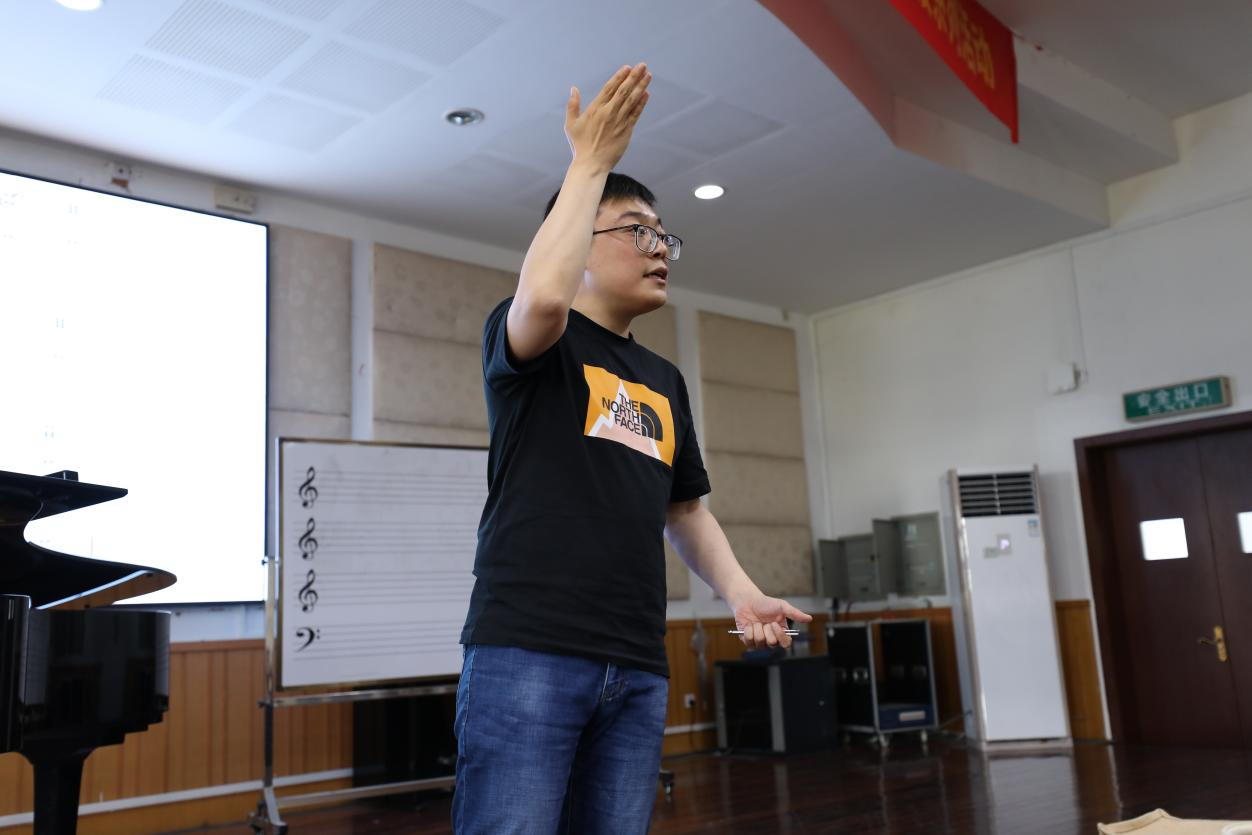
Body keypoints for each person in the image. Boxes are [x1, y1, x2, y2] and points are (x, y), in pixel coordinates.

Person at [453, 62, 812, 834]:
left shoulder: (663, 378)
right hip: (529, 649)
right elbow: (544, 296)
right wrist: (589, 164)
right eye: (637, 231)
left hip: (637, 663)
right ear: (580, 241)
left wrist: (740, 592)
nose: (660, 249)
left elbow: (685, 510)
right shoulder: (533, 337)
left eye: (664, 235)